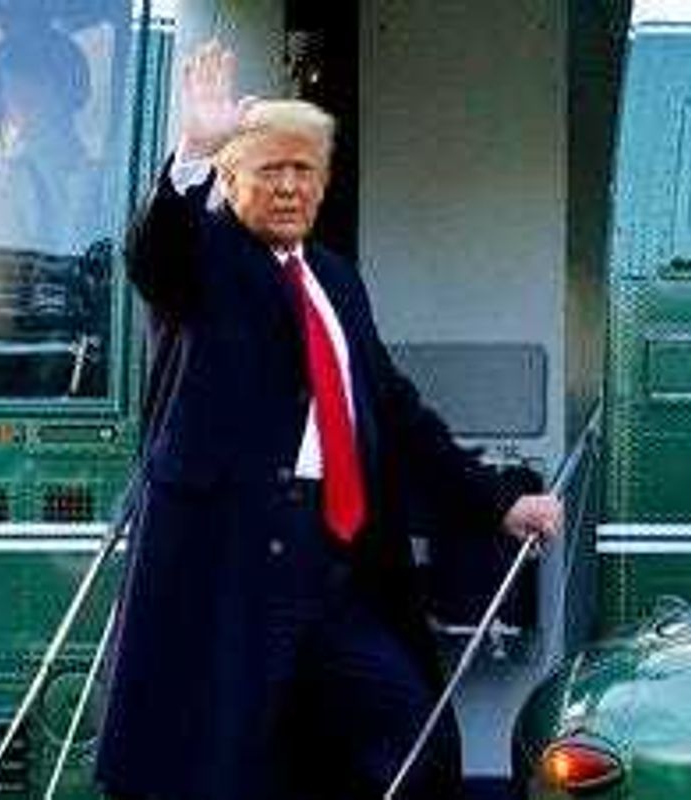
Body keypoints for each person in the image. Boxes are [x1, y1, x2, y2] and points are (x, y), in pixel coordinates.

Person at [95, 41, 563, 800]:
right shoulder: (207, 257)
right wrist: (194, 150)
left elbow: (397, 410)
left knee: (407, 743)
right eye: (268, 170)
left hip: (333, 563)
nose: (287, 187)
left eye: (302, 170)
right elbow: (155, 254)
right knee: (223, 768)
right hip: (232, 562)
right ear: (232, 179)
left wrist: (499, 500)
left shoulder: (336, 278)